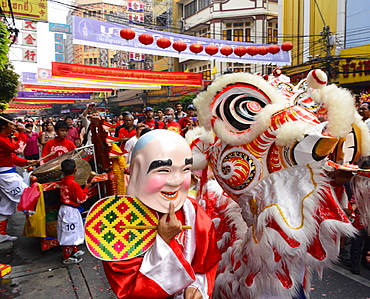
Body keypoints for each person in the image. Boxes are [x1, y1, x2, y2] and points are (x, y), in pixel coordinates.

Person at [103, 129, 221, 299]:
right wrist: (163, 241)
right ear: (137, 168)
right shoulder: (117, 220)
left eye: (185, 169)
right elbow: (130, 289)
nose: (177, 181)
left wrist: (198, 287)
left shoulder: (192, 210)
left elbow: (207, 262)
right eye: (164, 170)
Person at [0, 114, 36, 242]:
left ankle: (1, 234)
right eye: (11, 124)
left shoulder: (5, 138)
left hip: (7, 174)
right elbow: (18, 149)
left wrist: (27, 162)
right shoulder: (1, 139)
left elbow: (12, 157)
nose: (14, 126)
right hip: (6, 176)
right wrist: (21, 133)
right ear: (3, 126)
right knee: (28, 196)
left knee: (6, 206)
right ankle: (37, 228)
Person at [57, 158, 90, 264]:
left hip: (65, 208)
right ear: (75, 170)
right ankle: (67, 256)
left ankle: (74, 250)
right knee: (69, 233)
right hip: (70, 211)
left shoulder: (63, 181)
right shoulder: (73, 184)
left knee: (72, 231)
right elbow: (81, 199)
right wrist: (86, 188)